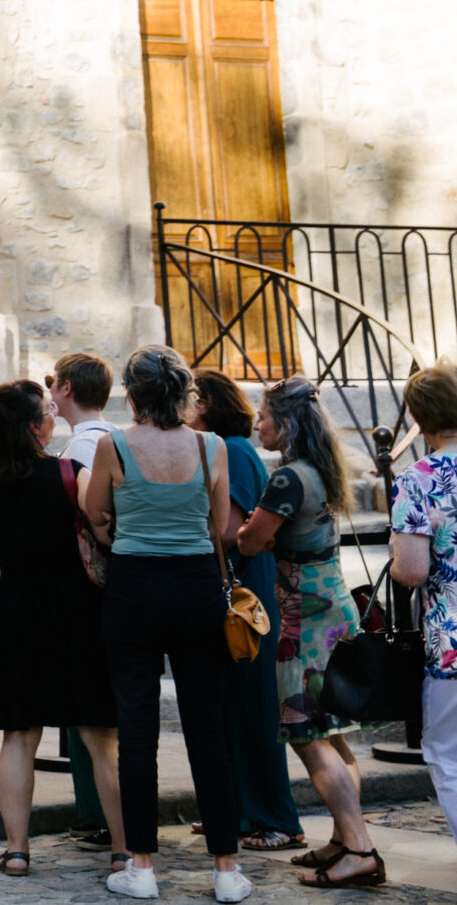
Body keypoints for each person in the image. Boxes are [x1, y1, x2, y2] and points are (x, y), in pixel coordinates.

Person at [85, 345, 248, 903]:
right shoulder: (212, 446)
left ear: (131, 393)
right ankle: (226, 869)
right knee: (208, 729)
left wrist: (122, 532)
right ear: (182, 391)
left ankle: (142, 866)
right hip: (197, 586)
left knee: (136, 730)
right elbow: (220, 524)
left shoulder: (115, 445)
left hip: (133, 588)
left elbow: (94, 513)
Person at [0, 378, 123, 877]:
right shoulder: (69, 472)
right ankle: (123, 850)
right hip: (77, 608)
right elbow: (102, 533)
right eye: (49, 412)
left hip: (17, 609)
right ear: (36, 426)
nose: (54, 417)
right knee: (101, 736)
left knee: (19, 736)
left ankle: (16, 851)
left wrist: (5, 595)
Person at [239, 376, 377, 887]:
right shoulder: (320, 468)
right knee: (332, 735)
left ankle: (360, 848)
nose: (258, 424)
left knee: (307, 736)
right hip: (333, 606)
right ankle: (345, 837)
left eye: (264, 415)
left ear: (288, 422)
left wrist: (243, 532)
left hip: (304, 619)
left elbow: (251, 541)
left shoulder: (287, 479)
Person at [190, 369, 304, 854]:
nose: (184, 407)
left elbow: (231, 528)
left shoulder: (231, 450)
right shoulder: (225, 449)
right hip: (236, 586)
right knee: (232, 708)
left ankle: (274, 817)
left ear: (209, 404)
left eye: (192, 399)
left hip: (242, 590)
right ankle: (236, 811)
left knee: (253, 708)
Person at [49, 348, 120, 834]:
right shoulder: (119, 439)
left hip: (87, 586)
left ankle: (98, 812)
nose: (51, 391)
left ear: (67, 389)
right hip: (122, 583)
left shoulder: (77, 451)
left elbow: (91, 523)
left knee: (89, 708)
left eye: (54, 382)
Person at [387, 362, 457, 849]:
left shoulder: (419, 477)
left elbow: (410, 572)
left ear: (417, 416)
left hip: (452, 639)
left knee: (448, 753)